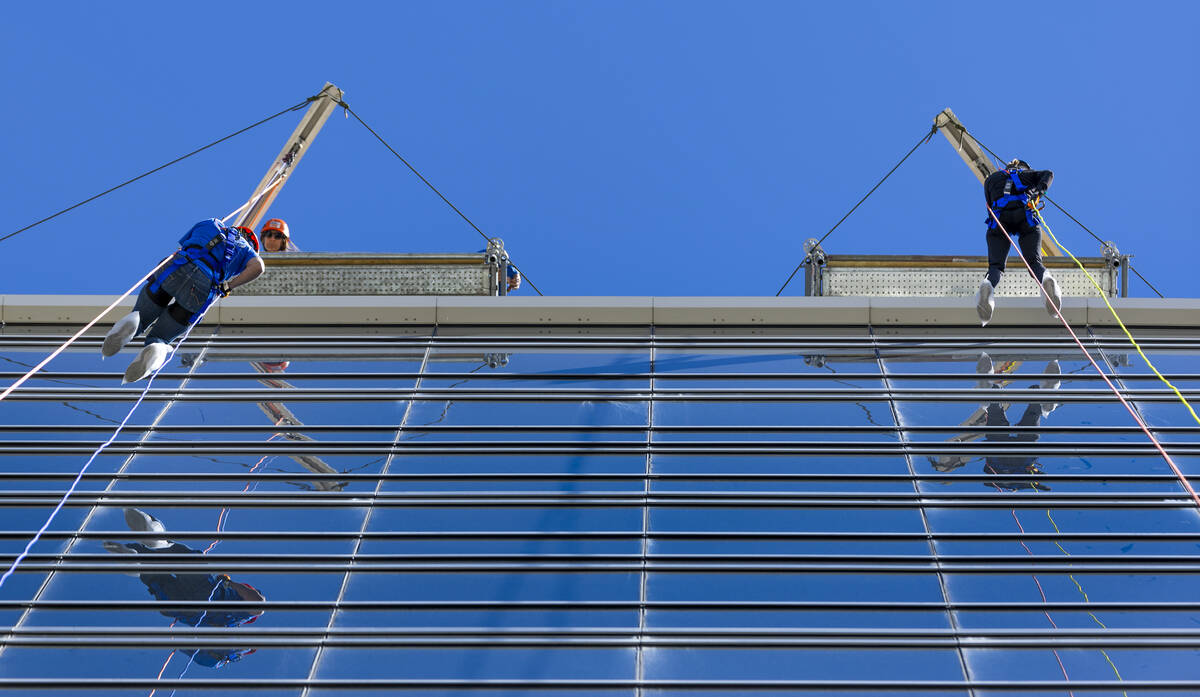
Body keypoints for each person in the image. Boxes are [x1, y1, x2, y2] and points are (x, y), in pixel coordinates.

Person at [102, 219, 265, 383]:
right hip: (202, 286)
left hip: (175, 268)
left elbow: (182, 247)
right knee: (162, 337)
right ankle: (156, 348)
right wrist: (228, 286)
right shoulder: (247, 251)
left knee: (142, 316)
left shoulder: (212, 224)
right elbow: (258, 267)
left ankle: (129, 325)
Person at [104, 508, 264, 668]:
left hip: (205, 592)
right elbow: (193, 651)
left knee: (178, 557)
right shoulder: (223, 643)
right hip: (181, 607)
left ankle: (155, 545)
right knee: (153, 577)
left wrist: (228, 583)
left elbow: (258, 604)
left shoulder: (238, 615)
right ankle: (136, 560)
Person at [976, 159, 1059, 325]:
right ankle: (1046, 281)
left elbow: (989, 204)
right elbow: (1048, 174)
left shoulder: (992, 180)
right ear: (1023, 167)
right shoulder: (1026, 175)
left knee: (995, 267)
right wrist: (1038, 191)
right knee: (1034, 263)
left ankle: (988, 286)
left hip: (999, 220)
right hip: (1025, 216)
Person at [974, 352, 1061, 491]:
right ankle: (990, 397)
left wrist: (1040, 484)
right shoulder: (998, 481)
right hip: (999, 454)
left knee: (1030, 423)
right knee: (998, 420)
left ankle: (1041, 403)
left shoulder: (1022, 483)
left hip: (1020, 454)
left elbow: (1041, 482)